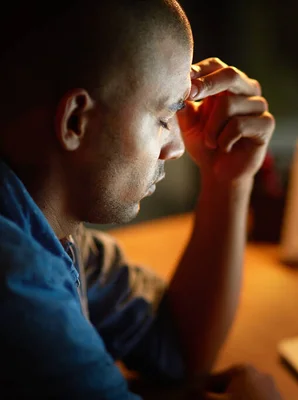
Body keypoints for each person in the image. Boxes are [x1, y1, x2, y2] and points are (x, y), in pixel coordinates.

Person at [0, 0, 282, 399]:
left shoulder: (53, 231)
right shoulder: (18, 286)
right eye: (166, 116)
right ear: (76, 121)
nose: (177, 147)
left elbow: (178, 349)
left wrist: (227, 182)